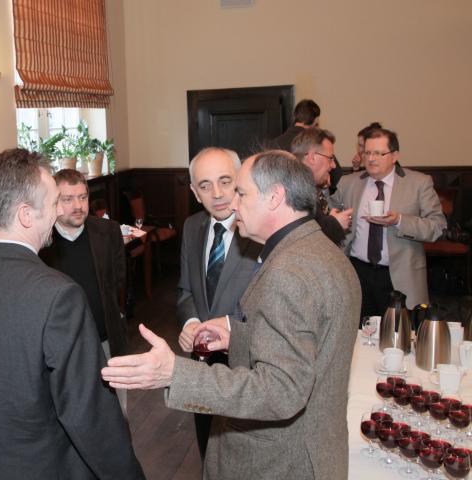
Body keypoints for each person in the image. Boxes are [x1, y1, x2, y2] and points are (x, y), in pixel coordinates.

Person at [102, 150, 361, 479]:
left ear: (274, 197)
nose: (232, 203)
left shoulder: (288, 270)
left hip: (279, 461)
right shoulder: (319, 249)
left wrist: (174, 373)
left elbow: (281, 391)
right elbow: (310, 346)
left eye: (241, 192)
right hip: (312, 449)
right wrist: (238, 336)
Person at [0, 148, 144, 480]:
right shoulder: (59, 295)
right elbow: (88, 412)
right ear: (26, 215)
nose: (59, 211)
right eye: (54, 203)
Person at [176, 147, 262, 458]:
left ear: (240, 180)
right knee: (207, 452)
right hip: (202, 366)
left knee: (244, 458)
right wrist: (191, 323)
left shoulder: (260, 230)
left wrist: (225, 324)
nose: (217, 193)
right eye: (205, 185)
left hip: (248, 366)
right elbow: (186, 290)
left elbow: (270, 305)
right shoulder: (192, 227)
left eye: (225, 181)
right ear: (194, 192)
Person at [39, 168, 128, 412]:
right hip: (64, 348)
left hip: (107, 338)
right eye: (68, 199)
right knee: (76, 411)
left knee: (118, 412)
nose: (78, 206)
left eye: (82, 197)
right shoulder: (42, 242)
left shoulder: (108, 231)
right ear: (54, 202)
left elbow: (119, 279)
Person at [333, 127, 445, 317]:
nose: (371, 159)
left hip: (400, 276)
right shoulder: (349, 182)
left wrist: (399, 221)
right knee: (360, 329)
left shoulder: (418, 183)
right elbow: (329, 213)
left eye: (378, 153)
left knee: (396, 332)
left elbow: (437, 227)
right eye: (367, 152)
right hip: (357, 271)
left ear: (394, 156)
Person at [290, 127, 353, 245]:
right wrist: (335, 224)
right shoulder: (295, 192)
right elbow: (303, 240)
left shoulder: (301, 186)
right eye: (330, 158)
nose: (333, 165)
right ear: (312, 158)